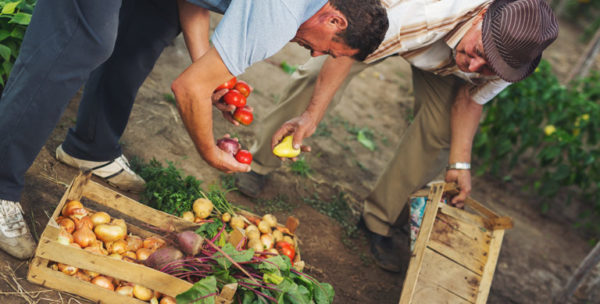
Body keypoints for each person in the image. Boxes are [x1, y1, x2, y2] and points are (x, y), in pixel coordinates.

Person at [0, 0, 388, 260]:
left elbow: (193, 0)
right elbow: (188, 88)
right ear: (334, 20)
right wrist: (208, 151)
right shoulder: (283, 16)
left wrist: (208, 68)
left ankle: (90, 145)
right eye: (329, 50)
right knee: (82, 41)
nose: (317, 56)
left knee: (150, 24)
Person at [234, 0, 559, 272]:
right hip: (392, 24)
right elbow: (347, 51)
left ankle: (379, 220)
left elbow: (470, 99)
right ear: (482, 17)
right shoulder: (424, 16)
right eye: (478, 51)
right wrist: (311, 116)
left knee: (441, 131)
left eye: (488, 66)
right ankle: (260, 162)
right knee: (317, 76)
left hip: (441, 62)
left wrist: (460, 165)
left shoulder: (510, 61)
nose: (474, 67)